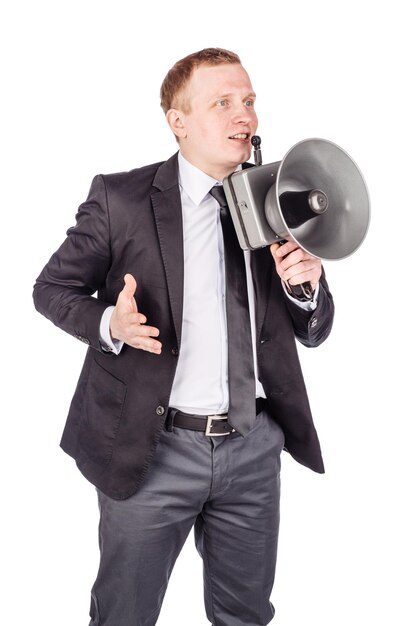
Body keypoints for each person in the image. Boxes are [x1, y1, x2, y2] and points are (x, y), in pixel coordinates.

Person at [33, 48, 334, 626]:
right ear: (179, 121)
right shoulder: (120, 199)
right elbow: (51, 288)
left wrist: (305, 289)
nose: (243, 116)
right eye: (222, 103)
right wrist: (109, 326)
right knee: (125, 614)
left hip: (252, 449)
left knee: (246, 615)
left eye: (248, 101)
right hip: (151, 450)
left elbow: (315, 331)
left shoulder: (278, 201)